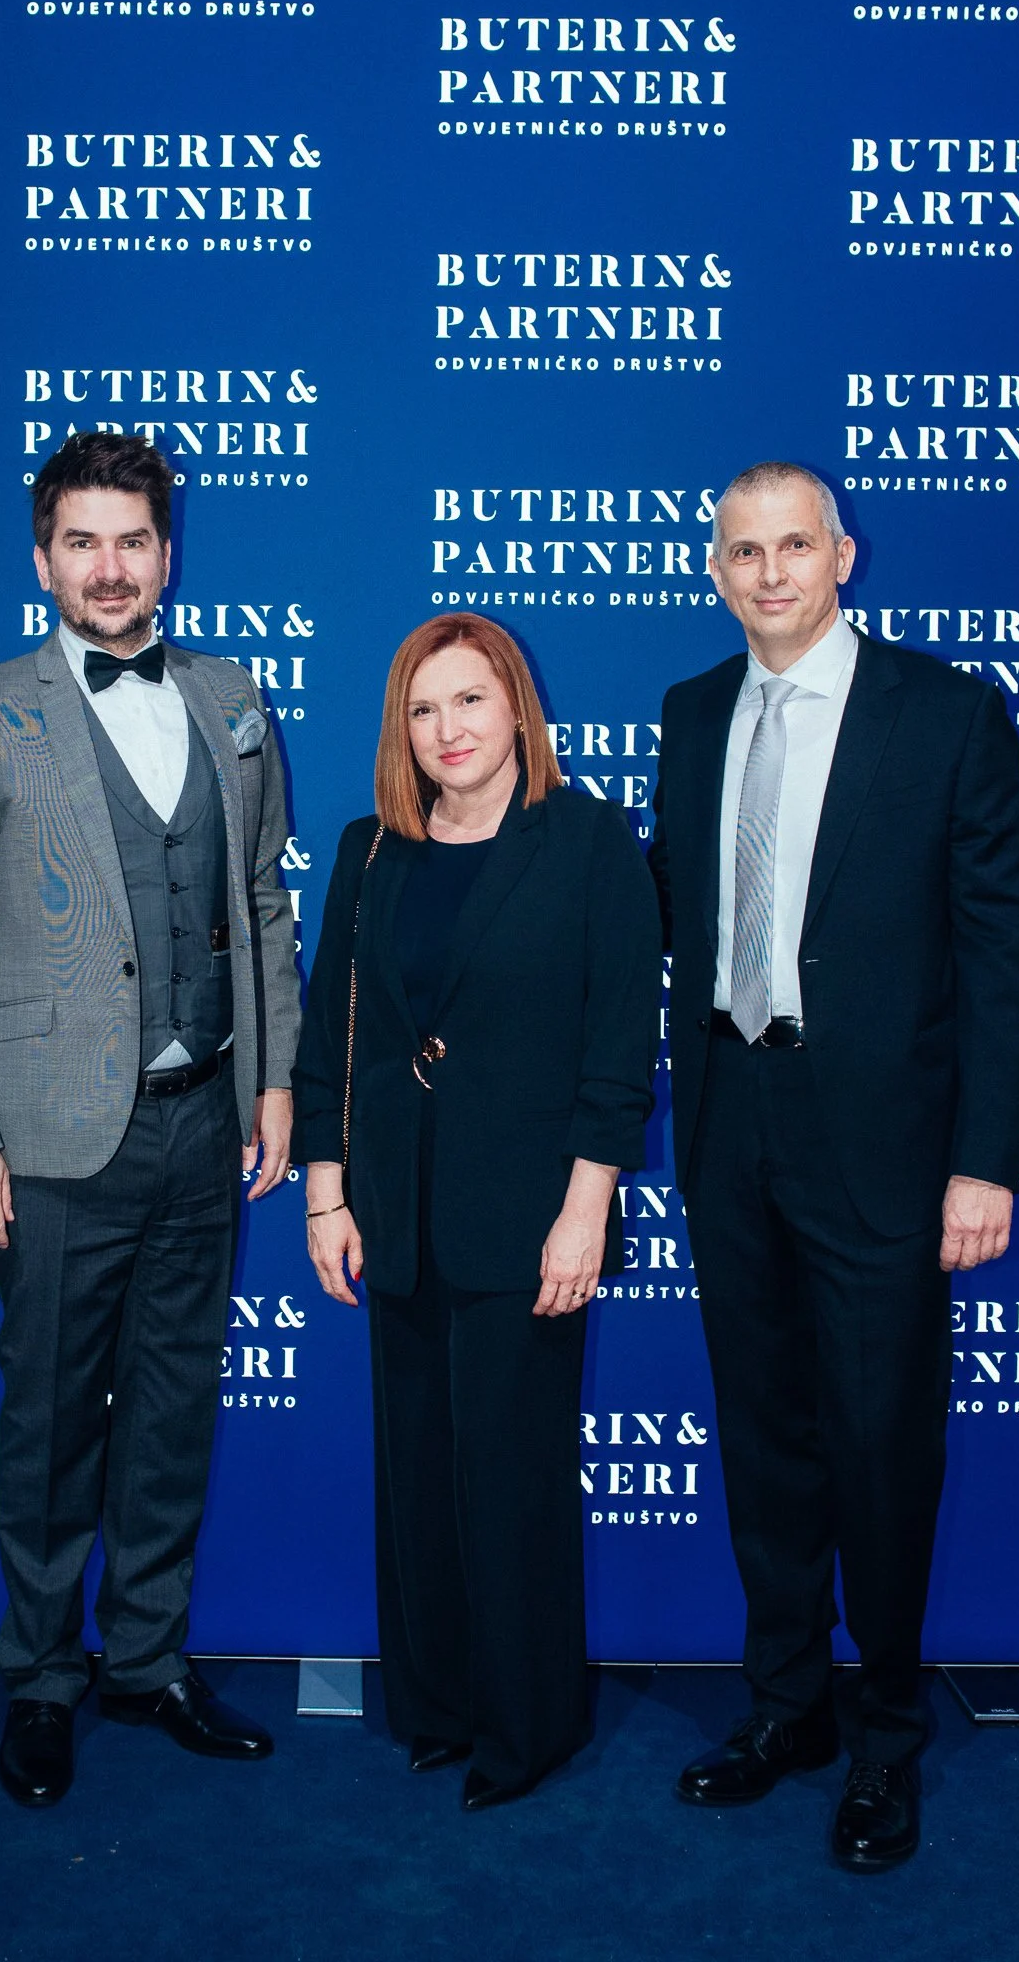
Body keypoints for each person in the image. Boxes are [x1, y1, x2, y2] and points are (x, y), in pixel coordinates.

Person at [650, 462, 1019, 1870]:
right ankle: (785, 1710)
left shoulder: (945, 715)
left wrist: (981, 1164)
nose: (769, 573)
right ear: (716, 567)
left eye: (794, 547)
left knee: (880, 1450)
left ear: (843, 556)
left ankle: (886, 1739)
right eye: (742, 549)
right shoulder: (692, 717)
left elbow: (1002, 958)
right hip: (727, 1125)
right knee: (762, 1441)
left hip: (882, 1147)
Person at [0, 432, 300, 1809]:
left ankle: (146, 1660)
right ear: (43, 559)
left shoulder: (231, 697)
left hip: (205, 1124)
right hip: (51, 1136)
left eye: (132, 540)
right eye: (83, 541)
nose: (111, 565)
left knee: (175, 1409)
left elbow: (258, 902)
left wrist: (275, 1079)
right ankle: (40, 1677)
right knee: (54, 1416)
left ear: (166, 554)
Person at [293, 613, 661, 1810]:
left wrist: (584, 1207)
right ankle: (439, 1708)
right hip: (394, 1211)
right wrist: (325, 1192)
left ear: (516, 708)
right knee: (419, 1475)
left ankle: (527, 1725)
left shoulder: (590, 839)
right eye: (422, 708)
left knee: (512, 1479)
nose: (447, 729)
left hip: (526, 1214)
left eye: (469, 700)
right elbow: (326, 1037)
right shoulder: (371, 850)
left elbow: (617, 1046)